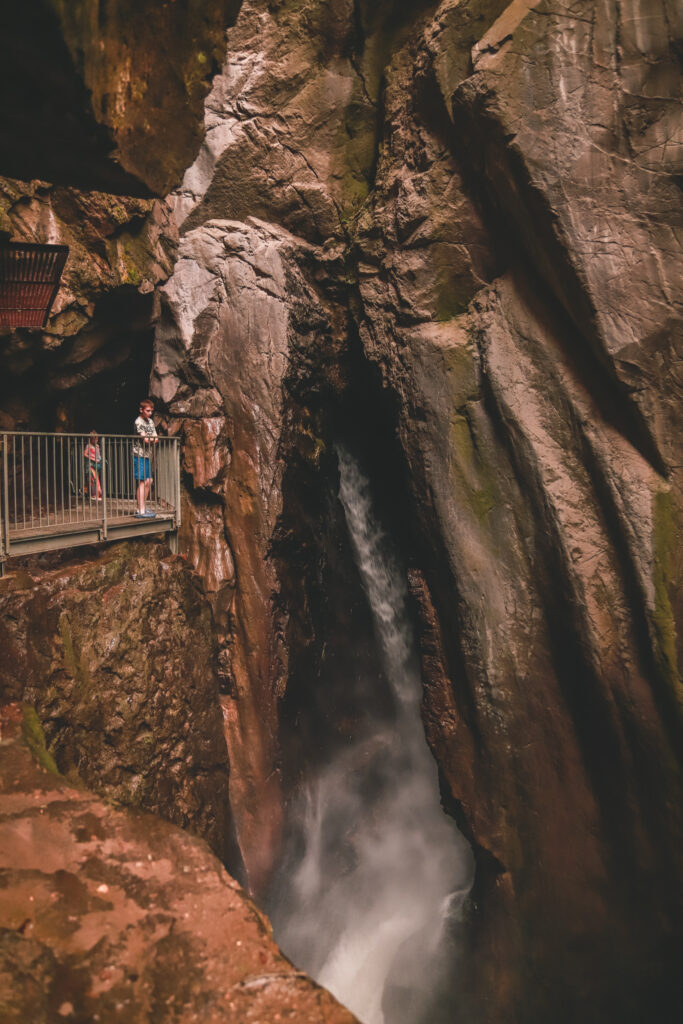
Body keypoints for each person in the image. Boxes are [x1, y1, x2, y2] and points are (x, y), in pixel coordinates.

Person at [133, 398, 158, 518]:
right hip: (139, 454)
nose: (150, 413)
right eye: (147, 411)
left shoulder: (151, 422)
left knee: (149, 481)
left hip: (148, 455)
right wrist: (150, 439)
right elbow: (146, 440)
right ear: (141, 410)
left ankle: (143, 507)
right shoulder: (138, 422)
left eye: (151, 411)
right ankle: (140, 510)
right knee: (142, 481)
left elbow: (156, 438)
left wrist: (150, 439)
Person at [83, 431, 102, 500]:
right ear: (91, 439)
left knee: (95, 478)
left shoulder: (97, 446)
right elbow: (85, 454)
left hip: (96, 464)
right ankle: (94, 494)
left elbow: (98, 454)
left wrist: (99, 459)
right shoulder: (88, 446)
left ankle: (93, 494)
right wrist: (93, 458)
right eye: (95, 439)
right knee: (93, 479)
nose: (96, 441)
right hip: (90, 465)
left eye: (97, 439)